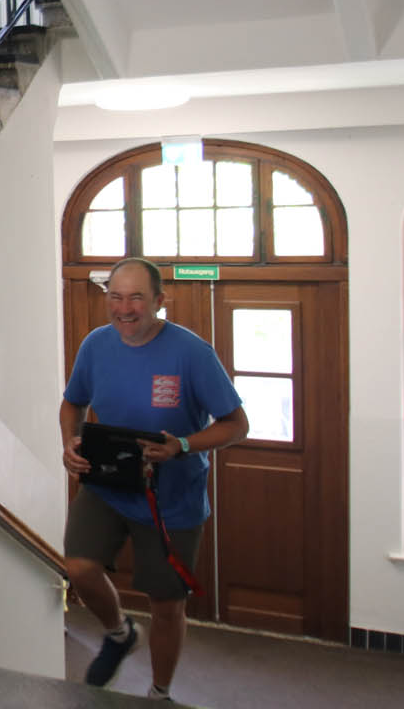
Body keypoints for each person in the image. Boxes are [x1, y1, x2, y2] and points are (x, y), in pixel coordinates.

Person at [60, 257, 248, 702]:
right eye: (115, 297)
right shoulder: (96, 345)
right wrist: (70, 442)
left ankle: (159, 693)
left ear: (160, 301)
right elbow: (73, 403)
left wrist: (181, 445)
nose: (124, 309)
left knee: (166, 604)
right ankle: (119, 633)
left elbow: (236, 425)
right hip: (107, 483)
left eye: (136, 298)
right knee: (79, 568)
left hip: (171, 500)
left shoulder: (192, 353)